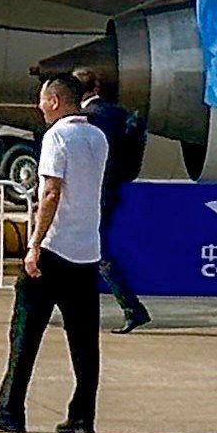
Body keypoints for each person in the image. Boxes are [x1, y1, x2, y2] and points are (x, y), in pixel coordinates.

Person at [0, 74, 110, 433]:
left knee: (24, 333)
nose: (39, 107)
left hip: (54, 249)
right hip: (87, 251)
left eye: (43, 100)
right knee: (85, 342)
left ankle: (9, 409)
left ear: (54, 100)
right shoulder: (97, 137)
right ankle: (83, 415)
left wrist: (34, 244)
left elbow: (51, 192)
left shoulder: (57, 136)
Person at [75, 66, 151, 332]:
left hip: (92, 192)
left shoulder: (88, 119)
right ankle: (130, 309)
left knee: (94, 252)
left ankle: (131, 308)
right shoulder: (118, 113)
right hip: (112, 189)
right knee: (91, 251)